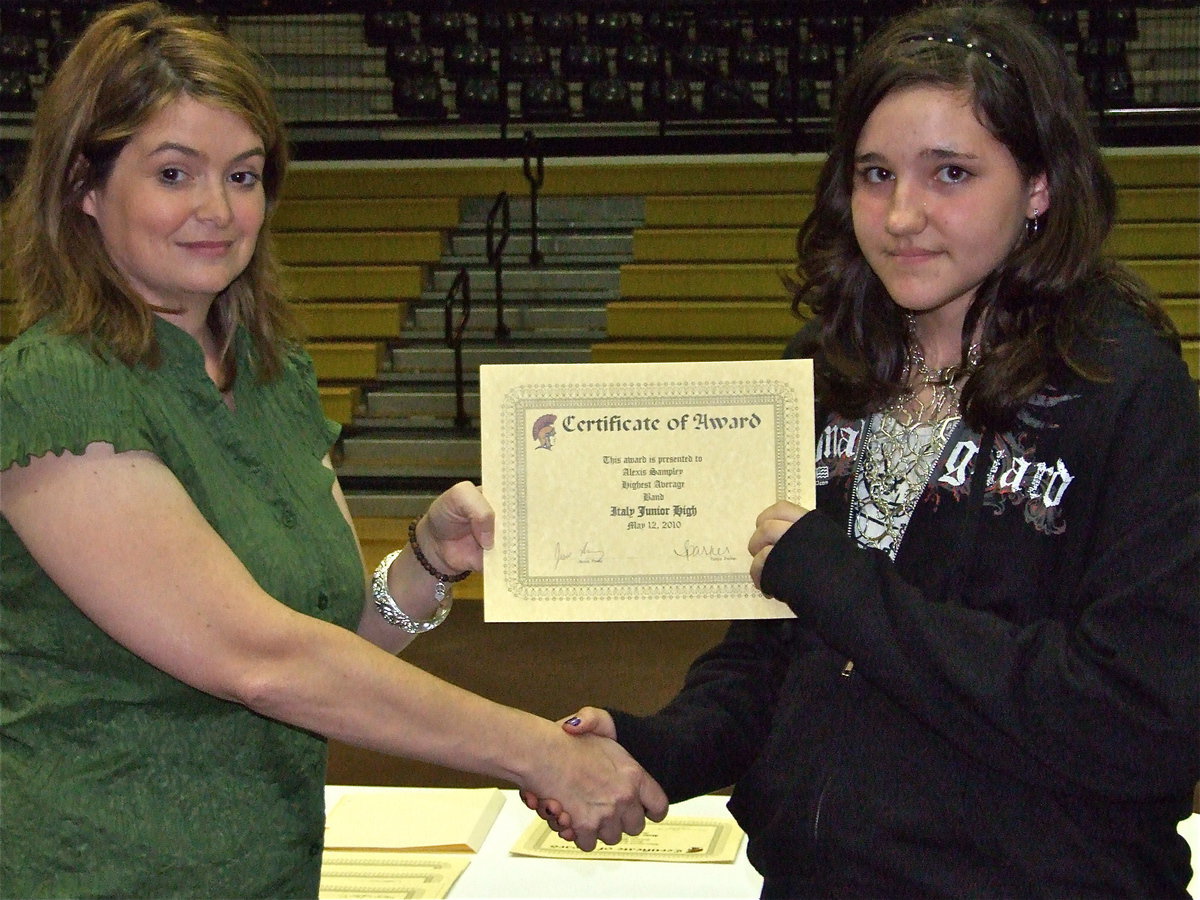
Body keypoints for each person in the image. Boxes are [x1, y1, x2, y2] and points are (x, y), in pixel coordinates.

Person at [529, 2, 1200, 895]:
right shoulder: (819, 370)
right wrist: (658, 744)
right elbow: (772, 655)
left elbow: (1141, 721)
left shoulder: (1125, 386)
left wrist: (841, 580)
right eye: (875, 173)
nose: (901, 215)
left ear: (1039, 185)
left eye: (951, 173)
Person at [0, 3, 666, 897]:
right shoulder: (55, 389)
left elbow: (331, 645)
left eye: (243, 175)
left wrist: (428, 565)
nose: (217, 209)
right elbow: (262, 660)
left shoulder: (272, 375)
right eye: (172, 172)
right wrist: (540, 753)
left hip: (271, 873)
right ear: (85, 185)